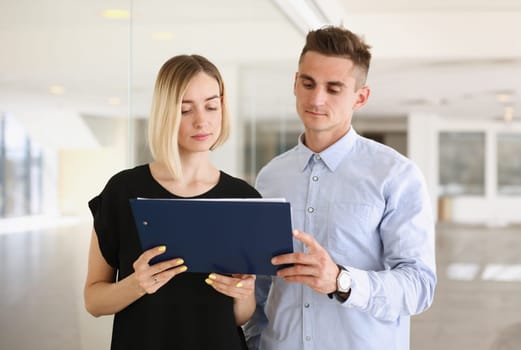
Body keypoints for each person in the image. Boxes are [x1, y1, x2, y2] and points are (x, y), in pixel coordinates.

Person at [244, 26, 436, 349]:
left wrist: (341, 281)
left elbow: (419, 286)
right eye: (308, 84)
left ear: (360, 97)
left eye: (334, 88)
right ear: (295, 83)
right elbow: (262, 287)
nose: (316, 99)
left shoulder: (396, 176)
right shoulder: (270, 177)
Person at [84, 54, 259, 350]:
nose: (202, 120)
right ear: (166, 112)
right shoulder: (123, 191)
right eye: (185, 109)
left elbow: (239, 317)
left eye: (212, 106)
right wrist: (135, 284)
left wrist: (243, 294)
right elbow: (93, 300)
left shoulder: (244, 198)